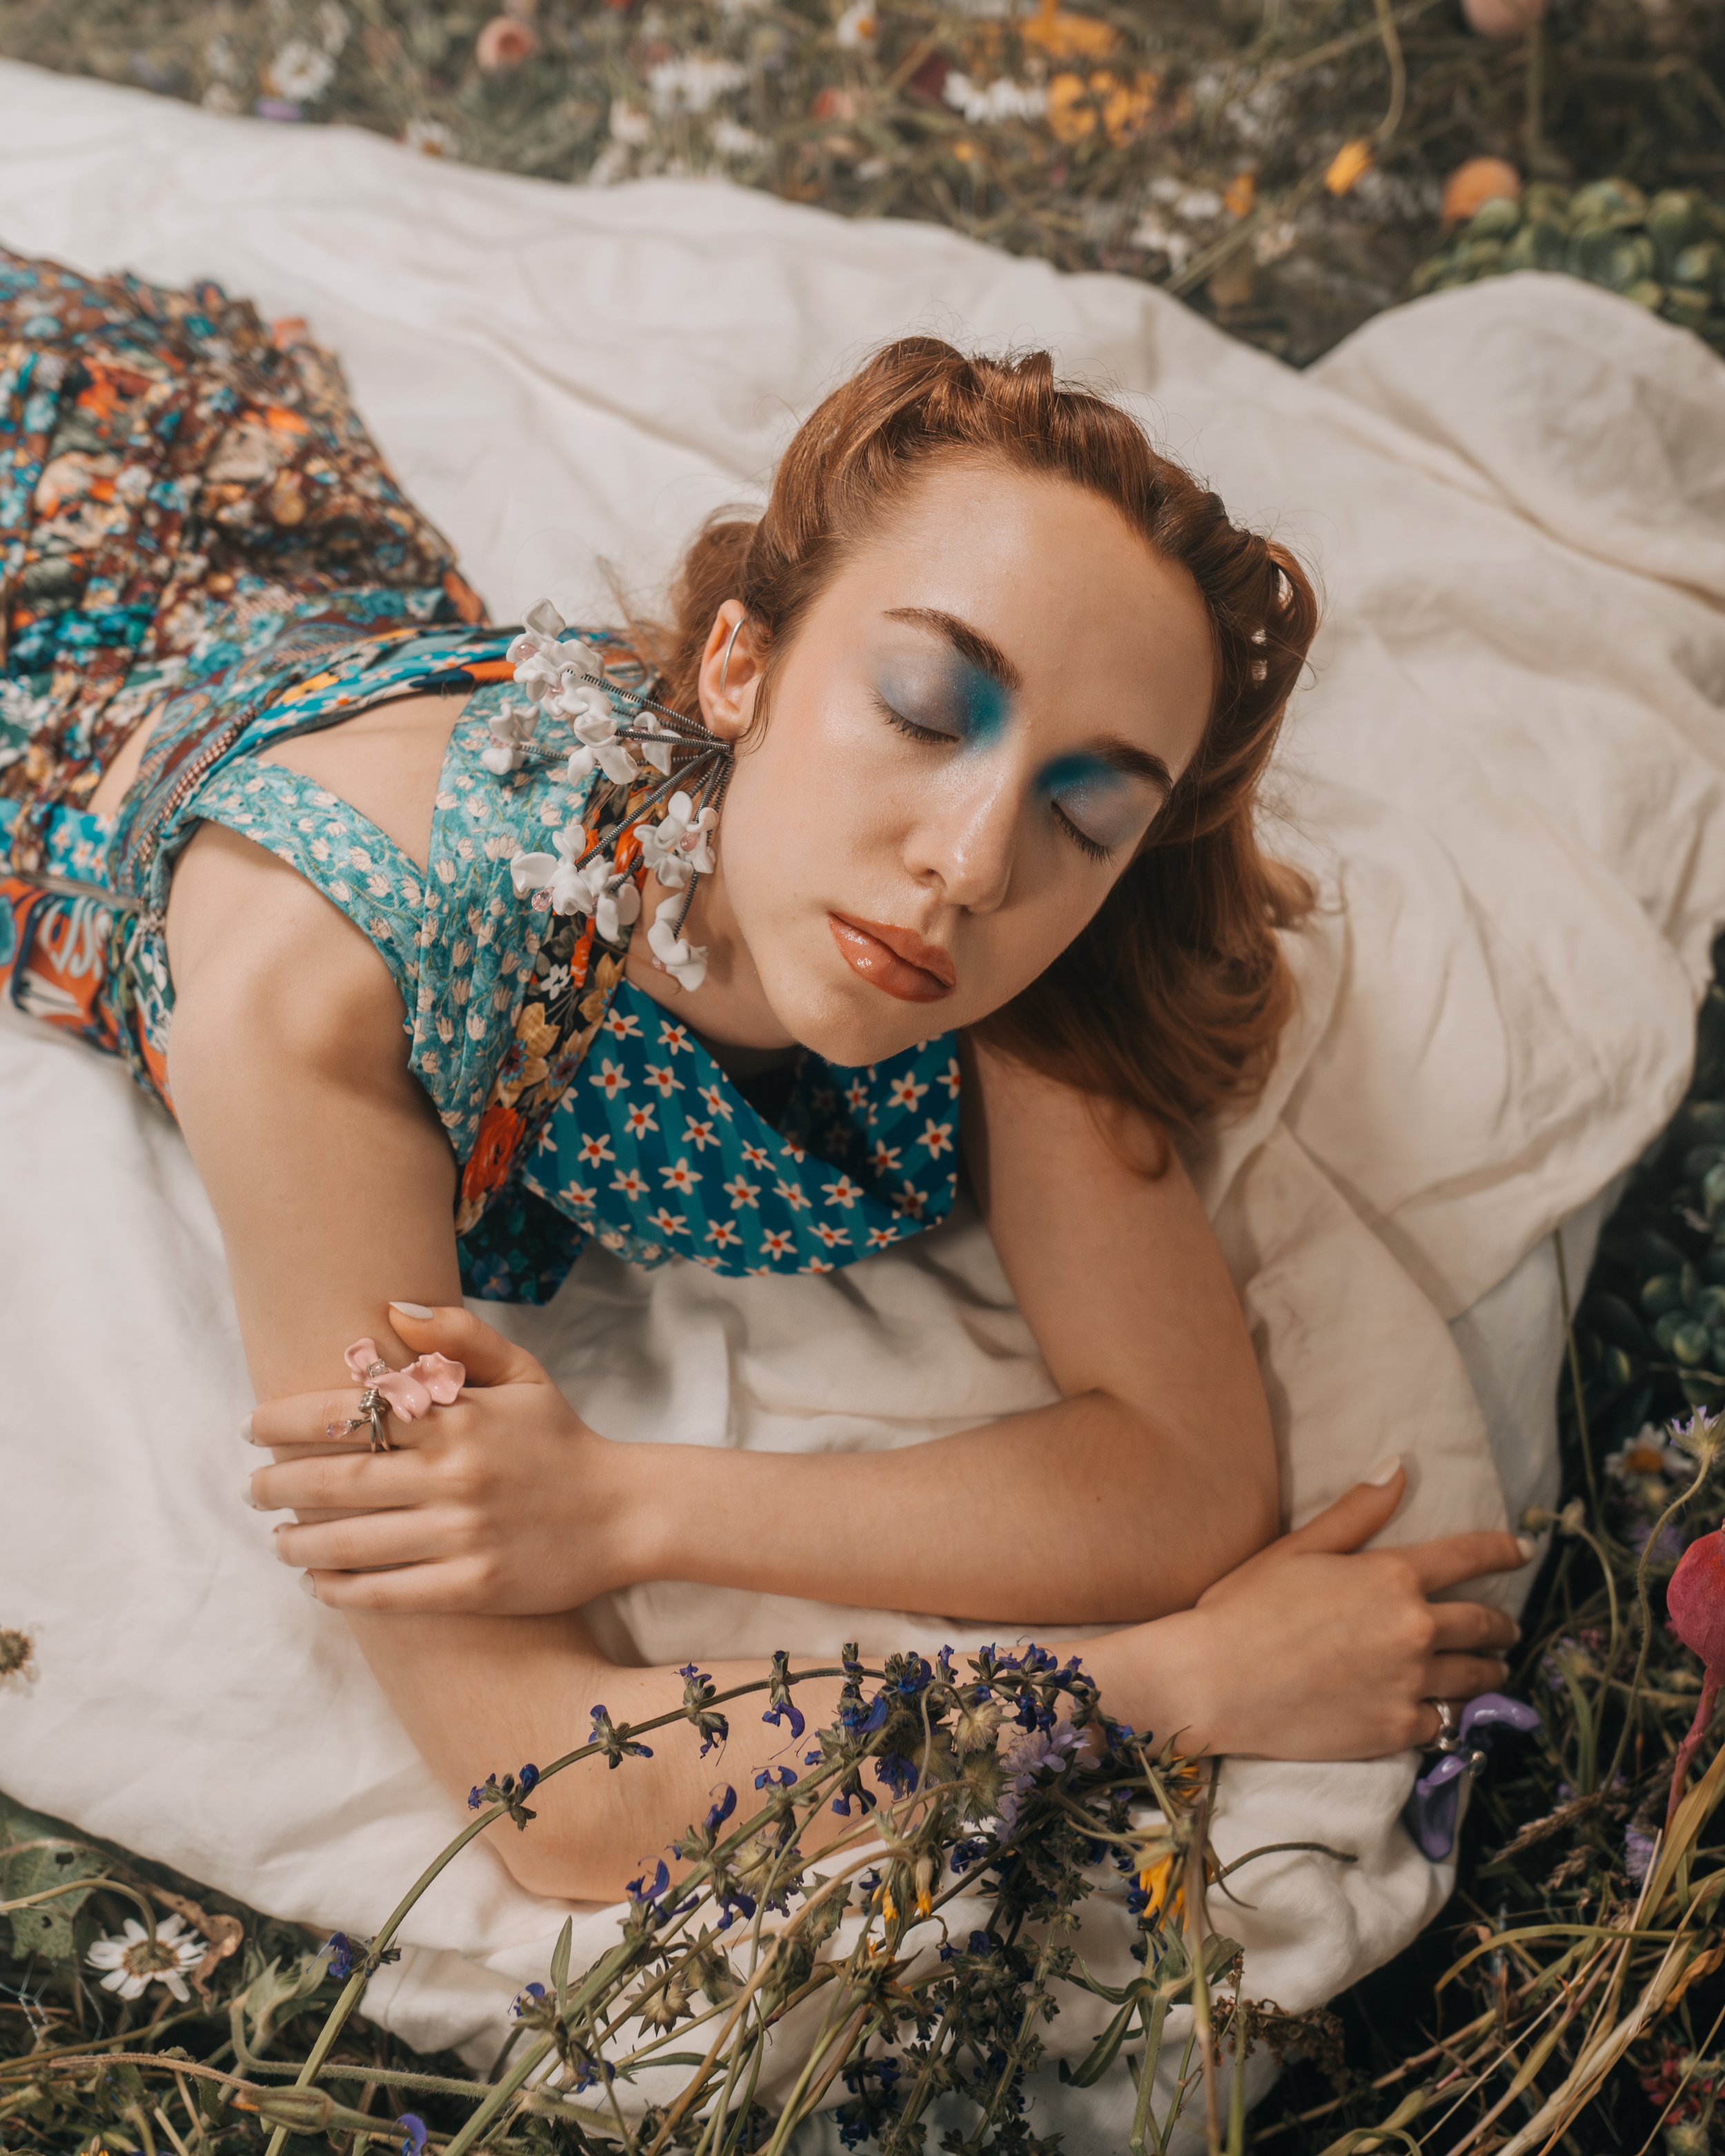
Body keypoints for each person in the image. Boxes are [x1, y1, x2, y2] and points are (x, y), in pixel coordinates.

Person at [0, 248, 1528, 1903]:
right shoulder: (324, 971)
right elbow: (549, 1788)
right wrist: (1169, 1684)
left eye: (1087, 807)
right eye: (923, 708)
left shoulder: (1003, 908)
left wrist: (627, 1504)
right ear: (736, 667)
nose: (970, 862)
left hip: (286, 595)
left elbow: (1183, 1479)